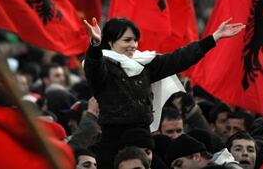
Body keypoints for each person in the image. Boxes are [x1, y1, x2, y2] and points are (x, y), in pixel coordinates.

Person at [83, 17, 245, 168]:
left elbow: (179, 58)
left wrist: (214, 38)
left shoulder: (143, 64)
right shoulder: (102, 67)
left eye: (135, 40)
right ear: (110, 42)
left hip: (144, 140)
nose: (133, 45)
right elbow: (93, 67)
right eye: (127, 40)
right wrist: (95, 45)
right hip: (114, 143)